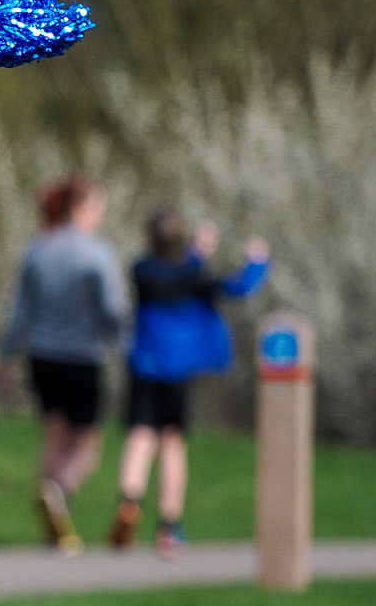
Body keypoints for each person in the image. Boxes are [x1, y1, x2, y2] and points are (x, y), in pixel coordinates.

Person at [109, 209, 270, 555]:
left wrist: (198, 253)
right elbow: (236, 288)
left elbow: (169, 272)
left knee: (140, 433)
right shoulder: (195, 275)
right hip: (179, 370)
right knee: (172, 441)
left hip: (144, 365)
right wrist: (257, 262)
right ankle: (168, 525)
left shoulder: (141, 271)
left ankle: (129, 499)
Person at [0, 174, 126, 553]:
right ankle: (57, 492)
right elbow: (111, 310)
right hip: (82, 356)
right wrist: (122, 342)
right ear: (81, 208)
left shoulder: (38, 248)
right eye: (98, 206)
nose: (101, 214)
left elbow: (20, 309)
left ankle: (53, 525)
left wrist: (5, 355)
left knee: (53, 433)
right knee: (87, 443)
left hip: (41, 355)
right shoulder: (97, 253)